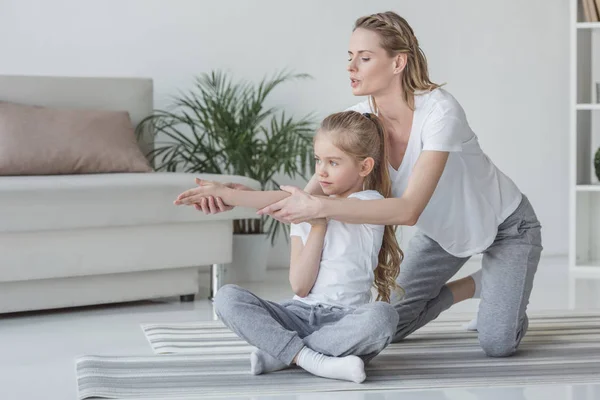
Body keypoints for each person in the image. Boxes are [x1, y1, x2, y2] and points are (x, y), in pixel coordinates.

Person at [192, 11, 543, 358]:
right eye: (350, 57)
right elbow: (310, 194)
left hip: (507, 226)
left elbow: (407, 211)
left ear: (397, 63)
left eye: (364, 57)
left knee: (498, 344)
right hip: (442, 235)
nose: (351, 67)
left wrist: (320, 209)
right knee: (392, 328)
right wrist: (232, 196)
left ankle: (497, 287)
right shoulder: (360, 122)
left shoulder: (440, 113)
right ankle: (476, 285)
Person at [175, 111, 402, 383]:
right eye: (318, 160)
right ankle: (313, 360)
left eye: (333, 162)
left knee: (382, 317)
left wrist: (232, 195)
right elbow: (300, 287)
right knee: (227, 297)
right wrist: (317, 226)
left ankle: (282, 352)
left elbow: (328, 207)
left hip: (345, 322)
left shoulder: (369, 203)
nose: (321, 171)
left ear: (364, 167)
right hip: (297, 316)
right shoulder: (302, 213)